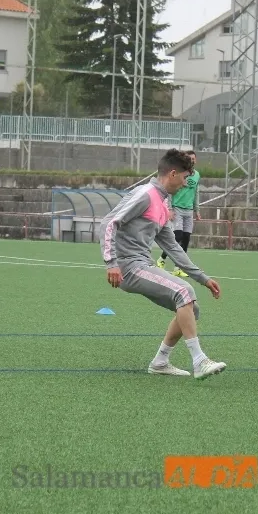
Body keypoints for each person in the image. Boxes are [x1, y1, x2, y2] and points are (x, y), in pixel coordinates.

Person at [99, 149, 227, 380]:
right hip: (128, 267)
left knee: (191, 309)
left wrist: (203, 278)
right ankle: (199, 361)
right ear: (174, 174)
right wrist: (111, 263)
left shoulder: (162, 202)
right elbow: (109, 223)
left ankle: (160, 361)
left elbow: (173, 247)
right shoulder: (146, 194)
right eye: (186, 177)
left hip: (142, 264)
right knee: (183, 291)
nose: (187, 183)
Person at [156, 150, 202, 277]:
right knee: (178, 237)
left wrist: (196, 210)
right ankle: (162, 259)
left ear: (196, 160)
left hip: (189, 211)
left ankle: (178, 268)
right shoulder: (179, 173)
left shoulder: (197, 175)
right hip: (177, 209)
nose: (192, 160)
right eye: (190, 158)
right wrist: (169, 208)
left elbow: (196, 193)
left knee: (186, 239)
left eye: (194, 158)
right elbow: (170, 191)